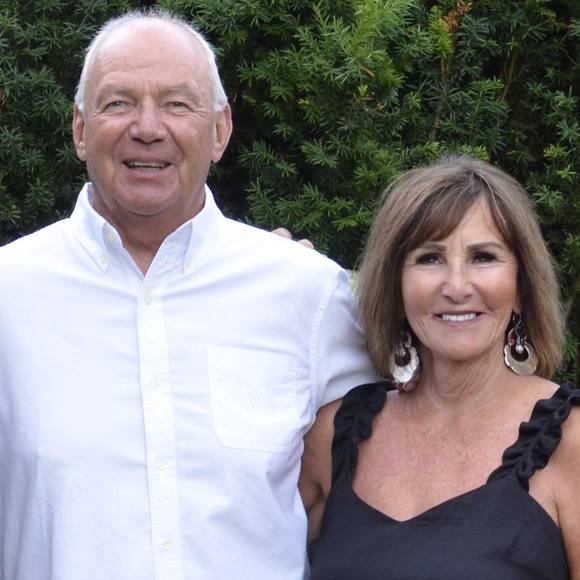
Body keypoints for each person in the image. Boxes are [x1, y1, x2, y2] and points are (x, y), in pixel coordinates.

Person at [0, 9, 378, 580]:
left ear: (220, 130)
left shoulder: (308, 294)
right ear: (79, 129)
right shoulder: (10, 294)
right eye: (118, 102)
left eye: (177, 104)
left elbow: (413, 433)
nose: (148, 127)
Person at [300, 156, 580, 579]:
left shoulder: (569, 441)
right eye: (429, 258)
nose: (456, 287)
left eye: (483, 257)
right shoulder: (334, 436)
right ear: (395, 285)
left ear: (522, 286)